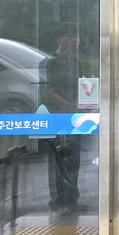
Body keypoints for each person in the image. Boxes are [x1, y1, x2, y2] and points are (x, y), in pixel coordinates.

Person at [44, 22, 83, 217]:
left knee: (74, 158)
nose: (75, 40)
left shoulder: (76, 62)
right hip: (60, 117)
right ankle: (60, 200)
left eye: (76, 36)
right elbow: (49, 93)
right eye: (70, 36)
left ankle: (71, 198)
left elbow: (82, 88)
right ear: (59, 38)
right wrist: (69, 106)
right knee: (60, 159)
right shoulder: (52, 62)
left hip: (76, 117)